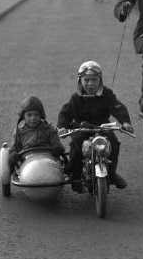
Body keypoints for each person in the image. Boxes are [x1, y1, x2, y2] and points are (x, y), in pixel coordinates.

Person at [57, 61, 134, 191]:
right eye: (86, 80)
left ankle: (111, 172)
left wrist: (125, 122)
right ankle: (75, 176)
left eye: (94, 79)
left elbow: (118, 107)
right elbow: (66, 112)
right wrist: (62, 126)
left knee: (114, 144)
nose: (90, 83)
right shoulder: (76, 98)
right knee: (76, 146)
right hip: (81, 127)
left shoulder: (107, 94)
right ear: (80, 80)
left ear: (100, 80)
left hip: (102, 127)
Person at [8, 95, 64, 172]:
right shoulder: (19, 132)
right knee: (11, 159)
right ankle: (12, 173)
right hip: (27, 162)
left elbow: (57, 144)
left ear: (41, 115)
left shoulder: (48, 129)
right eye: (29, 115)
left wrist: (57, 149)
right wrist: (14, 154)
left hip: (47, 159)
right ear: (23, 116)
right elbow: (14, 148)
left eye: (36, 114)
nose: (33, 118)